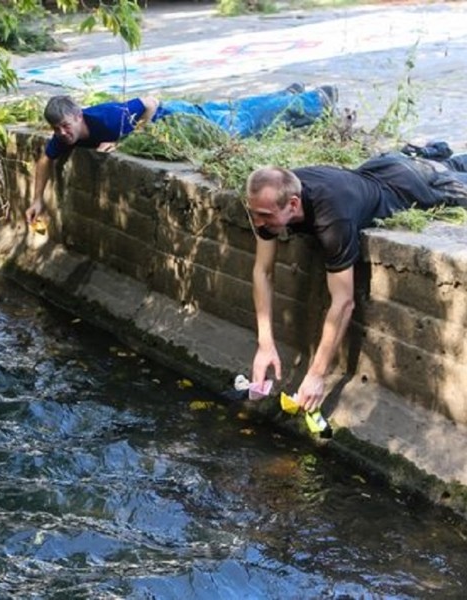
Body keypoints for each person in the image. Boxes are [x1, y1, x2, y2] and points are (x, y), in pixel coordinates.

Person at [246, 151, 467, 412]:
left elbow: (344, 302)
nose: (257, 222)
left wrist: (317, 374)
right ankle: (436, 157)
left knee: (453, 182)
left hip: (403, 187)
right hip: (379, 165)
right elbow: (263, 272)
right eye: (253, 212)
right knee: (442, 164)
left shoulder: (333, 220)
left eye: (265, 216)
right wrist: (265, 344)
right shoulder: (272, 197)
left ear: (293, 205)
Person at [25, 85, 337, 223]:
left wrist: (130, 140)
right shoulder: (63, 137)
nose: (63, 134)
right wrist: (37, 199)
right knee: (238, 112)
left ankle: (317, 100)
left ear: (78, 115)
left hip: (177, 120)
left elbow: (150, 101)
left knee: (240, 123)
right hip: (176, 121)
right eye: (57, 130)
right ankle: (289, 95)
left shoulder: (106, 118)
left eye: (66, 126)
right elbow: (45, 159)